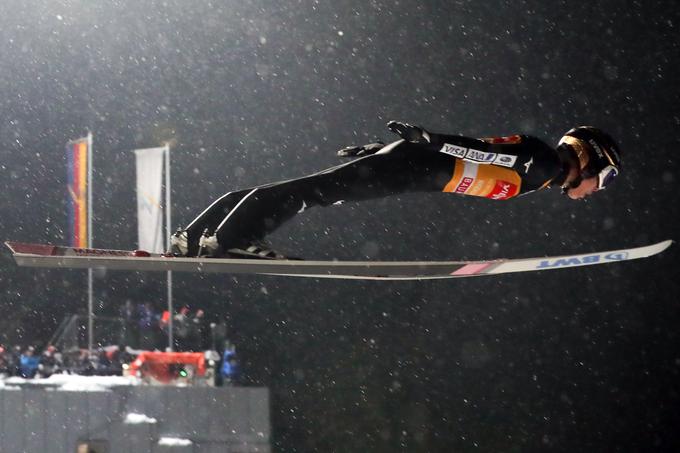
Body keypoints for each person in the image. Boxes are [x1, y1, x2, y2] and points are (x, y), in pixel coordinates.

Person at [168, 121, 621, 258]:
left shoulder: (540, 168)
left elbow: (478, 153)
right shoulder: (541, 165)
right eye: (603, 179)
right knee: (314, 192)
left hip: (413, 165)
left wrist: (393, 148)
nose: (598, 190)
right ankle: (232, 239)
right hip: (414, 167)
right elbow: (482, 153)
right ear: (589, 161)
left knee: (309, 188)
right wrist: (428, 141)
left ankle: (195, 237)